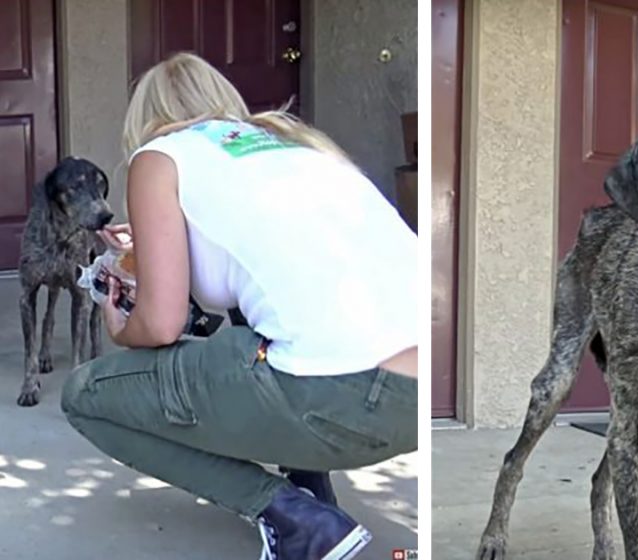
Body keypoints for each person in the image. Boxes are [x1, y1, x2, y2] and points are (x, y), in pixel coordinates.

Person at [60, 52, 418, 560]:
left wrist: (120, 327)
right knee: (257, 323)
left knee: (85, 395)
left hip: (343, 398)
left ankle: (292, 520)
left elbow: (162, 324)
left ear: (147, 119)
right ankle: (312, 490)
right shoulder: (293, 143)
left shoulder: (158, 157)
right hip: (417, 395)